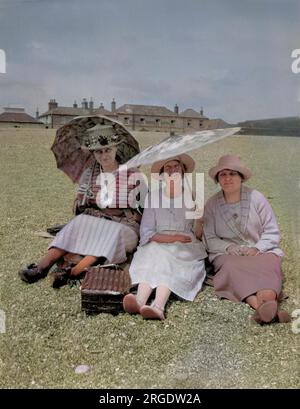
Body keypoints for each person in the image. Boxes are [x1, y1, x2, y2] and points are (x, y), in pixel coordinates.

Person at [19, 124, 145, 288]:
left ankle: (72, 272)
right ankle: (41, 268)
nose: (103, 155)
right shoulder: (90, 173)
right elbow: (78, 207)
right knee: (77, 223)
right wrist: (81, 202)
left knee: (111, 235)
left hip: (124, 225)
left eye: (107, 150)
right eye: (98, 151)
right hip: (97, 221)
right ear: (92, 152)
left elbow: (142, 210)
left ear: (116, 148)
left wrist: (116, 201)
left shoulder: (132, 173)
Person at [203, 154, 291, 324]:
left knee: (268, 265)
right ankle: (265, 308)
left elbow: (271, 230)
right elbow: (210, 238)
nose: (227, 178)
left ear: (241, 177)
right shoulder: (212, 204)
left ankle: (264, 306)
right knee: (231, 269)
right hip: (228, 254)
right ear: (217, 179)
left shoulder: (257, 198)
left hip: (259, 250)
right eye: (223, 174)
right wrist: (229, 248)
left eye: (232, 173)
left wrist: (257, 248)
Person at [123, 154, 207, 320]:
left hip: (185, 244)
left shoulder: (193, 197)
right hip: (158, 240)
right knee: (155, 252)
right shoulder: (154, 196)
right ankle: (139, 300)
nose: (173, 171)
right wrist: (171, 238)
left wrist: (199, 220)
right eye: (168, 168)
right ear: (162, 174)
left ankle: (158, 306)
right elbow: (147, 231)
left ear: (182, 171)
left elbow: (198, 235)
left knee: (169, 257)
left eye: (176, 167)